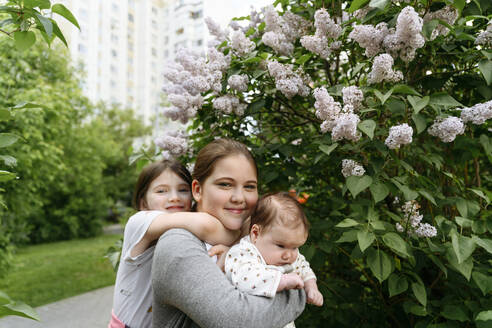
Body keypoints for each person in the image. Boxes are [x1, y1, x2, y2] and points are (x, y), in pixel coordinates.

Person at [152, 139, 306, 328]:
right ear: (197, 190)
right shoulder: (178, 244)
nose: (239, 198)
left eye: (249, 186)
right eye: (225, 184)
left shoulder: (253, 240)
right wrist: (299, 289)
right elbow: (236, 321)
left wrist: (235, 254)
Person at [109, 159, 242, 328]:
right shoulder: (138, 223)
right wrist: (242, 229)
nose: (174, 197)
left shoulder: (187, 236)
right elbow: (207, 226)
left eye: (183, 190)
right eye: (161, 191)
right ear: (143, 202)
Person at [225, 192, 323, 328]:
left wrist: (311, 287)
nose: (288, 255)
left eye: (295, 247)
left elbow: (304, 268)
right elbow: (243, 278)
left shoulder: (289, 255)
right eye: (280, 245)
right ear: (255, 234)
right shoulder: (244, 253)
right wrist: (280, 281)